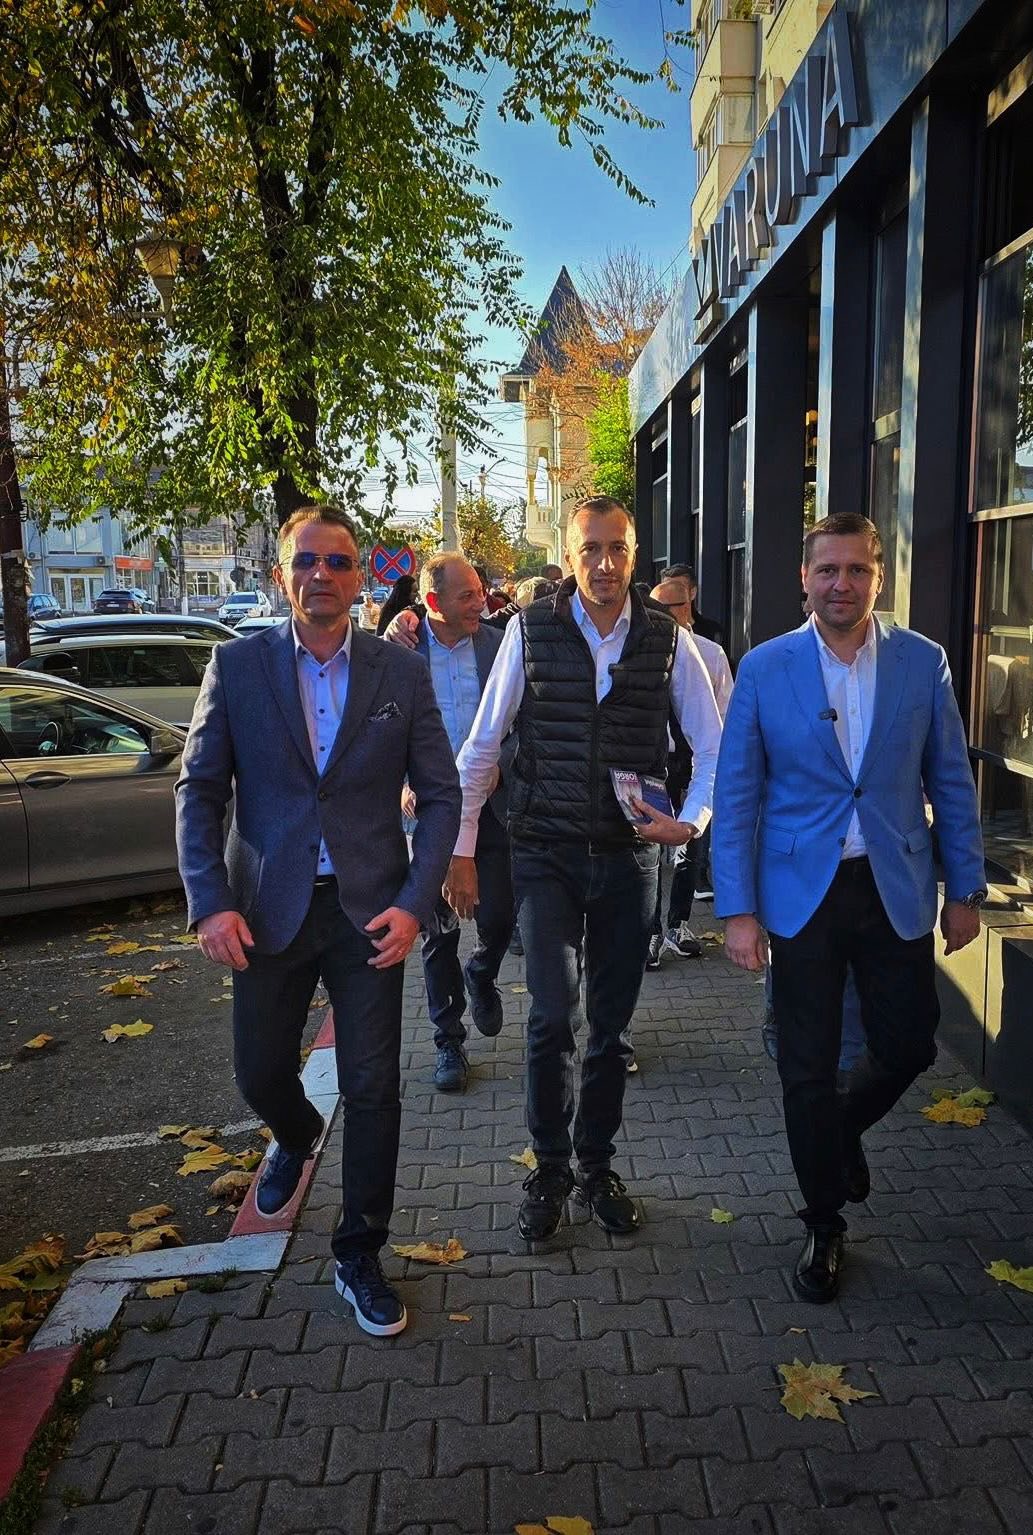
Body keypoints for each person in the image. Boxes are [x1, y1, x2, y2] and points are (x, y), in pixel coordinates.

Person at [175, 504, 461, 1337]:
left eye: (338, 561)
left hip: (371, 911)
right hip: (267, 911)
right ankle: (295, 1135)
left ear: (360, 575)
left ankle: (358, 1251)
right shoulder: (237, 667)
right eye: (306, 561)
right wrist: (210, 900)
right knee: (260, 1073)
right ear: (281, 575)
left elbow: (441, 795)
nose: (321, 575)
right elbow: (199, 791)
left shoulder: (399, 672)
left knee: (374, 1089)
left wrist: (416, 901)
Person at [713, 512, 985, 1304]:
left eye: (856, 569)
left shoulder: (921, 661)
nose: (842, 584)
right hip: (800, 893)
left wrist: (964, 888)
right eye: (827, 569)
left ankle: (832, 1135)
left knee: (908, 1042)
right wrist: (737, 910)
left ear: (878, 576)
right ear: (804, 578)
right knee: (805, 1061)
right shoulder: (764, 667)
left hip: (893, 882)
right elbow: (737, 793)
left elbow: (949, 779)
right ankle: (822, 1220)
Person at [446, 496, 722, 1242]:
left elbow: (713, 746)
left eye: (617, 548)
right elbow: (483, 744)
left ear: (634, 555)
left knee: (611, 1028)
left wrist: (690, 820)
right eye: (591, 548)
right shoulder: (529, 631)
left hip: (630, 859)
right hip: (546, 853)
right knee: (550, 1018)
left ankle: (596, 1167)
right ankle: (549, 1168)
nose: (604, 563)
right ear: (569, 557)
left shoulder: (667, 639)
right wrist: (462, 847)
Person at [383, 553, 516, 1093]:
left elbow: (520, 722)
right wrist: (400, 782)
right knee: (437, 931)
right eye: (467, 596)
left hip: (492, 808)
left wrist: (504, 765)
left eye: (480, 591)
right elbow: (380, 728)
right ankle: (448, 1041)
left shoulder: (500, 646)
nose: (481, 602)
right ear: (432, 602)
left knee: (501, 916)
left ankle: (482, 971)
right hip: (431, 812)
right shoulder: (401, 653)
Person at [646, 575, 733, 967]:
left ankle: (677, 924)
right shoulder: (643, 650)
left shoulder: (710, 654)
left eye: (666, 608)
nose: (657, 616)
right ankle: (650, 931)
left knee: (690, 845)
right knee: (649, 848)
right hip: (654, 764)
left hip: (696, 763)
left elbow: (725, 712)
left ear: (686, 608)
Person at [662, 561, 723, 649]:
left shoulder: (712, 632)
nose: (671, 595)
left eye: (679, 589)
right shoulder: (654, 631)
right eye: (666, 590)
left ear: (693, 593)